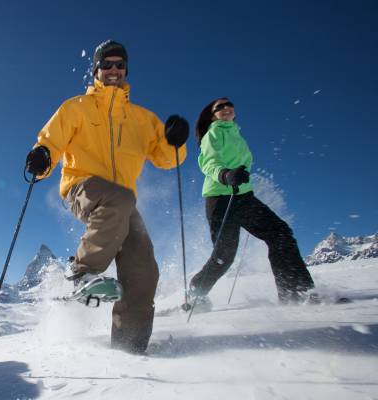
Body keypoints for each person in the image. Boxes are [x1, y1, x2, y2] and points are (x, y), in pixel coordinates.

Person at [25, 40, 189, 354]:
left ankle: (130, 350)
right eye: (107, 64)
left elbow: (167, 158)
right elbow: (51, 140)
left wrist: (176, 141)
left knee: (143, 273)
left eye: (119, 65)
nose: (114, 70)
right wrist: (42, 156)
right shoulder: (77, 108)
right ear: (97, 69)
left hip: (122, 202)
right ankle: (82, 272)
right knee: (118, 199)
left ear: (126, 70)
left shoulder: (142, 119)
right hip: (82, 186)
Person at [189, 98, 314, 308]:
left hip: (243, 197)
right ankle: (196, 292)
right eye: (219, 107)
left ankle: (296, 292)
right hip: (220, 198)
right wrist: (225, 175)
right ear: (213, 115)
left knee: (280, 233)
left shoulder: (237, 135)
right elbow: (208, 162)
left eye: (229, 104)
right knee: (225, 255)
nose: (226, 108)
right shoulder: (213, 133)